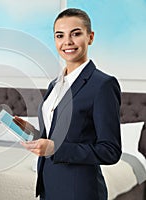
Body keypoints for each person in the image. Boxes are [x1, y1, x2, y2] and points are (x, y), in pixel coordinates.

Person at [13, 8, 121, 200]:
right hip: (49, 187)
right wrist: (33, 133)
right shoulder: (55, 84)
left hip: (79, 191)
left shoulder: (103, 85)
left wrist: (55, 149)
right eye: (60, 36)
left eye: (76, 33)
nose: (67, 42)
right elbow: (56, 136)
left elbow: (110, 151)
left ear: (90, 37)